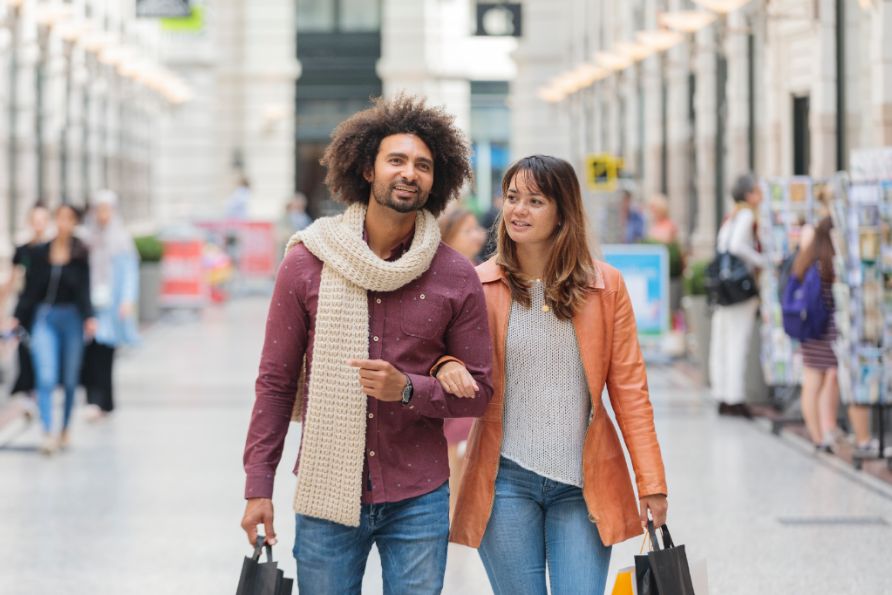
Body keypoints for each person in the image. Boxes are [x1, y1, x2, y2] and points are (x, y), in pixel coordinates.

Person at [240, 95, 494, 594]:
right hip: (326, 494)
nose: (409, 173)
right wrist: (258, 488)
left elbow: (481, 391)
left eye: (422, 165)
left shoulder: (454, 275)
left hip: (419, 496)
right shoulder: (308, 262)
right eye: (396, 160)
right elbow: (275, 382)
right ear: (366, 168)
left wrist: (410, 389)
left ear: (434, 180)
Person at [440, 155, 668, 595]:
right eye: (512, 198)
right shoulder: (478, 285)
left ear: (563, 210)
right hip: (504, 480)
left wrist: (652, 484)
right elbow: (442, 356)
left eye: (535, 200)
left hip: (583, 486)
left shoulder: (606, 287)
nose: (518, 210)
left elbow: (631, 394)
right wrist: (445, 365)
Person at [13, 204, 96, 454]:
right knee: (46, 375)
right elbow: (30, 291)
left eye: (68, 218)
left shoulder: (81, 253)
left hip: (71, 317)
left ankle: (65, 428)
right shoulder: (41, 252)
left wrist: (89, 317)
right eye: (59, 218)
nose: (63, 223)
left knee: (70, 379)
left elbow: (84, 290)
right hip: (45, 317)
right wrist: (17, 317)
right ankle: (48, 432)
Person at [437, 206, 487, 516]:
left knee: (461, 444)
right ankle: (452, 509)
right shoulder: (450, 274)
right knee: (452, 445)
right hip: (451, 372)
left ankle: (458, 508)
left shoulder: (479, 270)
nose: (478, 235)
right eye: (468, 231)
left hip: (473, 371)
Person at [709, 173, 767, 418]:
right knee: (737, 341)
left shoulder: (731, 215)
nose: (761, 194)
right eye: (757, 189)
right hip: (740, 290)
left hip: (724, 289)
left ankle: (723, 395)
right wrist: (762, 261)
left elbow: (723, 246)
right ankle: (735, 397)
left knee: (721, 340)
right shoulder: (745, 215)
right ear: (749, 194)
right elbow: (735, 247)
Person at [81, 190, 140, 420]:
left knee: (106, 353)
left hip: (112, 305)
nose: (103, 215)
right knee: (90, 352)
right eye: (99, 210)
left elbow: (129, 273)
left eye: (107, 209)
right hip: (91, 304)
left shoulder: (121, 238)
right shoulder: (87, 237)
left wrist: (127, 300)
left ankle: (105, 401)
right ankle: (93, 400)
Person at [2, 203, 51, 409]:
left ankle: (43, 390)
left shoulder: (54, 249)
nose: (38, 225)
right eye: (35, 220)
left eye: (42, 220)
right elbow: (12, 280)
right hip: (26, 308)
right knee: (25, 348)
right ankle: (29, 393)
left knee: (44, 351)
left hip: (48, 308)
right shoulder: (23, 250)